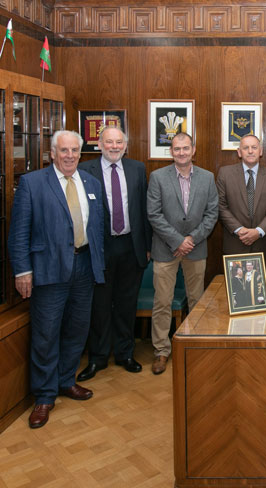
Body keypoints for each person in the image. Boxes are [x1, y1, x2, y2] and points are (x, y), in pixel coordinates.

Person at [8, 130, 105, 428]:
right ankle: (45, 395)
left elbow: (96, 229)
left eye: (75, 150)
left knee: (77, 329)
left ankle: (66, 380)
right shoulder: (33, 183)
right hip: (48, 271)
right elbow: (19, 232)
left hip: (84, 267)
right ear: (52, 153)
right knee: (46, 334)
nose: (70, 155)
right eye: (63, 150)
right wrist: (22, 270)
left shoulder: (91, 183)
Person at [76, 127, 151, 381]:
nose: (114, 146)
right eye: (109, 141)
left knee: (126, 304)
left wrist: (147, 246)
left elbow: (144, 211)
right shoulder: (86, 170)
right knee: (100, 305)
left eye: (119, 142)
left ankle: (124, 353)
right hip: (100, 248)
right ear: (99, 144)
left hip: (131, 246)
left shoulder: (138, 169)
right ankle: (98, 358)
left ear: (125, 145)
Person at [147, 132, 218, 375]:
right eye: (176, 149)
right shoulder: (157, 177)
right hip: (165, 249)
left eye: (185, 148)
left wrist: (192, 239)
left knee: (197, 301)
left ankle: (194, 344)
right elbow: (153, 214)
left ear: (193, 149)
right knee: (162, 302)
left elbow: (212, 214)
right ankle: (161, 350)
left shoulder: (208, 178)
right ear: (171, 152)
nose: (181, 152)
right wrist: (178, 240)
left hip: (196, 248)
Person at [217, 134, 266, 270]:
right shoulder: (225, 173)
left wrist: (258, 231)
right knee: (237, 288)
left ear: (261, 151)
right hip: (235, 243)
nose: (250, 151)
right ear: (239, 152)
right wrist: (240, 230)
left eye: (254, 147)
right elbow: (221, 206)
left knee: (260, 289)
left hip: (261, 244)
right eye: (246, 148)